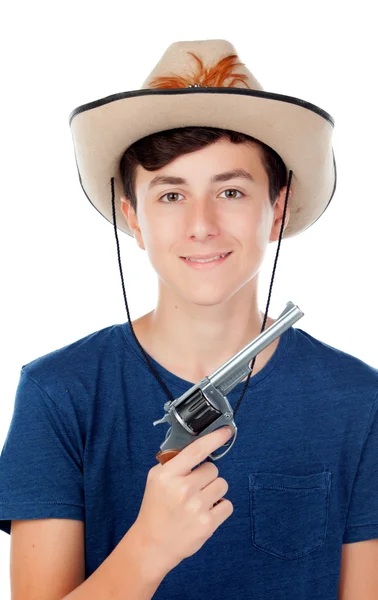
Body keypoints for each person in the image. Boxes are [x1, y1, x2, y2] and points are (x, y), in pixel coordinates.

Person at [0, 39, 377, 600]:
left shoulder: (358, 401)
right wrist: (148, 549)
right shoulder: (60, 395)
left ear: (277, 208)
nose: (201, 224)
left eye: (230, 190)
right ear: (132, 216)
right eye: (171, 195)